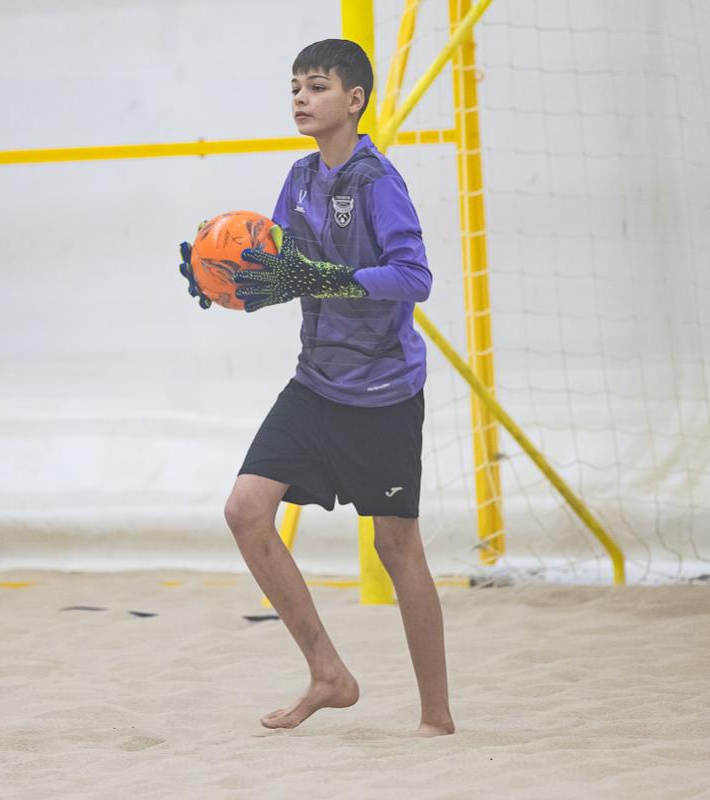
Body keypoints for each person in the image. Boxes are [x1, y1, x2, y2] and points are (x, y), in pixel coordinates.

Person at [178, 39, 454, 737]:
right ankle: (328, 673)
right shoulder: (299, 178)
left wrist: (327, 279)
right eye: (295, 86)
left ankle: (437, 718)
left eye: (317, 86)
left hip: (384, 393)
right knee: (245, 511)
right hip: (315, 383)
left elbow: (414, 278)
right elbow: (279, 271)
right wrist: (224, 280)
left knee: (396, 547)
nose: (301, 97)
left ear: (354, 101)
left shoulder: (376, 181)